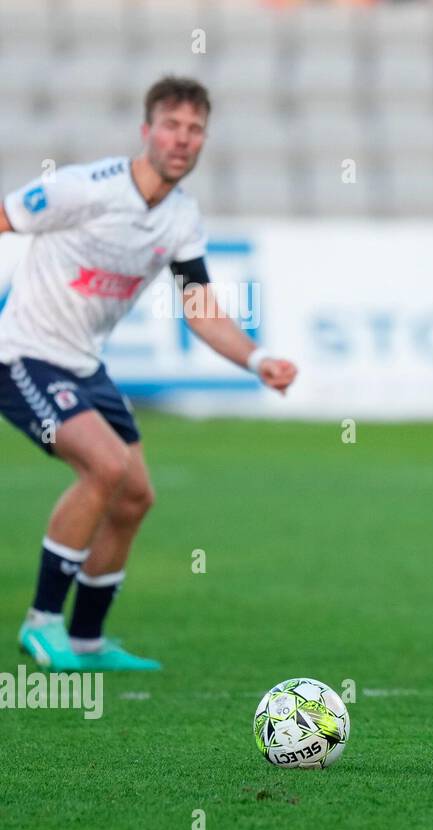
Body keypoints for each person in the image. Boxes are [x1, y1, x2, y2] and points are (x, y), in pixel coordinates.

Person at [0, 76, 298, 672]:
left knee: (134, 495)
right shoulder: (83, 188)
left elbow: (199, 305)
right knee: (106, 467)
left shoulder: (181, 219)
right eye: (171, 125)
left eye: (194, 130)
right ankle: (41, 623)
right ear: (147, 131)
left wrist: (255, 359)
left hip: (85, 364)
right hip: (21, 354)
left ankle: (85, 639)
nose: (182, 139)